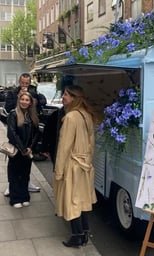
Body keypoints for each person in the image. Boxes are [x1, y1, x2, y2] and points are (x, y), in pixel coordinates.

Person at [53, 85, 97, 248]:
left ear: (74, 98)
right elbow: (92, 144)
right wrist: (88, 161)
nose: (63, 97)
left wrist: (59, 171)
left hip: (72, 166)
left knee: (72, 201)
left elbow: (64, 147)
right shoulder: (87, 115)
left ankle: (76, 236)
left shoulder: (71, 117)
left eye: (65, 94)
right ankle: (85, 233)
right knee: (84, 201)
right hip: (85, 165)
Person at [4, 73, 47, 195]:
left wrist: (35, 101)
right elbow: (7, 108)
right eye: (23, 83)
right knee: (14, 161)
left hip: (29, 127)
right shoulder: (13, 93)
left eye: (27, 83)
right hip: (17, 126)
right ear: (19, 82)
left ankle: (27, 183)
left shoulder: (33, 91)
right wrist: (18, 99)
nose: (25, 86)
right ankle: (11, 185)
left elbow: (42, 101)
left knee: (26, 162)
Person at [6, 92, 39, 208]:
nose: (24, 102)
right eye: (22, 99)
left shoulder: (32, 115)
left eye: (27, 100)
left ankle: (25, 196)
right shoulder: (13, 114)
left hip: (28, 151)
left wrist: (31, 147)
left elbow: (36, 134)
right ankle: (15, 198)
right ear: (19, 100)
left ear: (30, 102)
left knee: (25, 175)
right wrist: (22, 149)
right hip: (16, 151)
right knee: (15, 175)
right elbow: (11, 133)